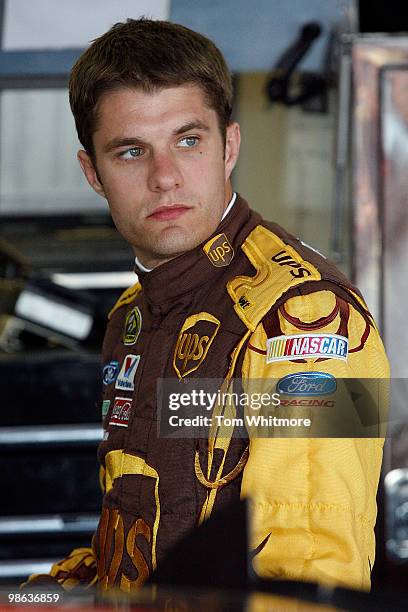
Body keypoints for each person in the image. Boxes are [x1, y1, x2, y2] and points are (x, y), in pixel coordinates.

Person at [25, 18, 388, 592]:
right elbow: (133, 539)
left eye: (188, 140)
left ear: (230, 147)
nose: (165, 177)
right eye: (130, 152)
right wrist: (30, 596)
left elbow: (310, 572)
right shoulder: (132, 315)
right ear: (92, 173)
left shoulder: (305, 318)